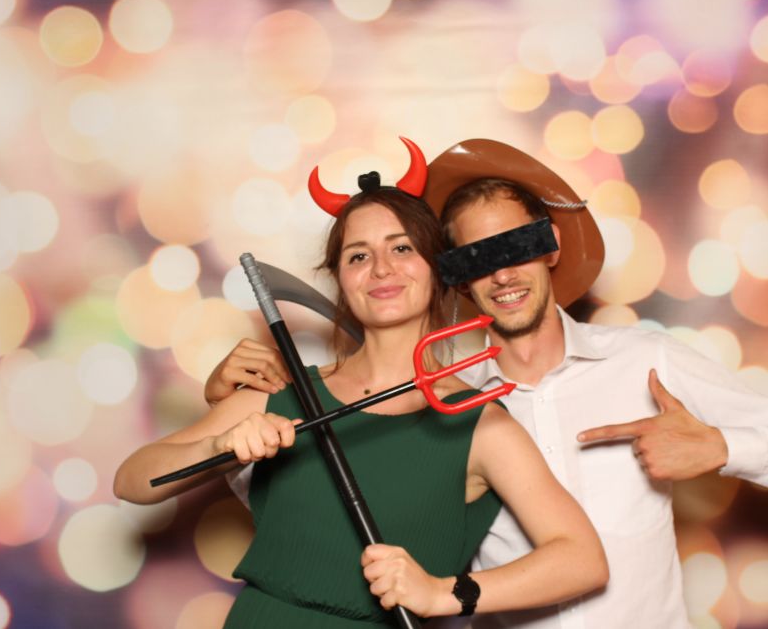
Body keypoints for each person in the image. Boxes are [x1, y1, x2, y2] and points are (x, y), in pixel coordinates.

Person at [205, 138, 768, 628]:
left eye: (517, 246)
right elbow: (319, 496)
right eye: (476, 257)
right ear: (453, 276)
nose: (503, 274)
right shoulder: (439, 401)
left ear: (551, 248)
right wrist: (232, 411)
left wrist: (721, 446)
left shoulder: (645, 360)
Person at [115, 139, 609, 628]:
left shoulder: (478, 424)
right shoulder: (282, 391)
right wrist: (219, 445)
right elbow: (133, 481)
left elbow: (582, 560)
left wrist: (442, 593)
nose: (381, 269)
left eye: (402, 248)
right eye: (357, 256)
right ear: (340, 280)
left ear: (439, 270)